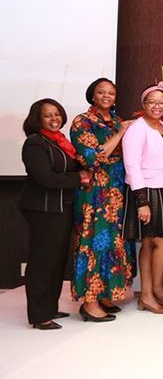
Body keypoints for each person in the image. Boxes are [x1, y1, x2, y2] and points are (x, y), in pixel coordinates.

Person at [20, 99, 90, 329]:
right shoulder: (34, 143)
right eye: (48, 115)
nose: (54, 119)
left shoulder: (60, 141)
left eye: (57, 114)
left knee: (57, 260)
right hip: (43, 210)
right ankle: (39, 316)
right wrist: (78, 178)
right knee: (43, 261)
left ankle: (49, 307)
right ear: (37, 119)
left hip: (61, 208)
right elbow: (46, 178)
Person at [70, 77, 135, 322]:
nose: (106, 96)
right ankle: (89, 302)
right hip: (96, 193)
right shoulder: (83, 121)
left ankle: (105, 294)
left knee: (114, 242)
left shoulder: (117, 120)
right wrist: (121, 132)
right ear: (92, 95)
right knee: (93, 242)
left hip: (117, 191)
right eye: (101, 92)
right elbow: (95, 156)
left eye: (111, 92)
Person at [121, 83, 163, 314]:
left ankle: (148, 295)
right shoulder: (137, 129)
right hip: (145, 190)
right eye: (152, 102)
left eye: (161, 102)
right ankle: (154, 291)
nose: (157, 106)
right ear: (143, 104)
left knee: (148, 242)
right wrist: (142, 202)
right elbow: (132, 166)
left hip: (161, 188)